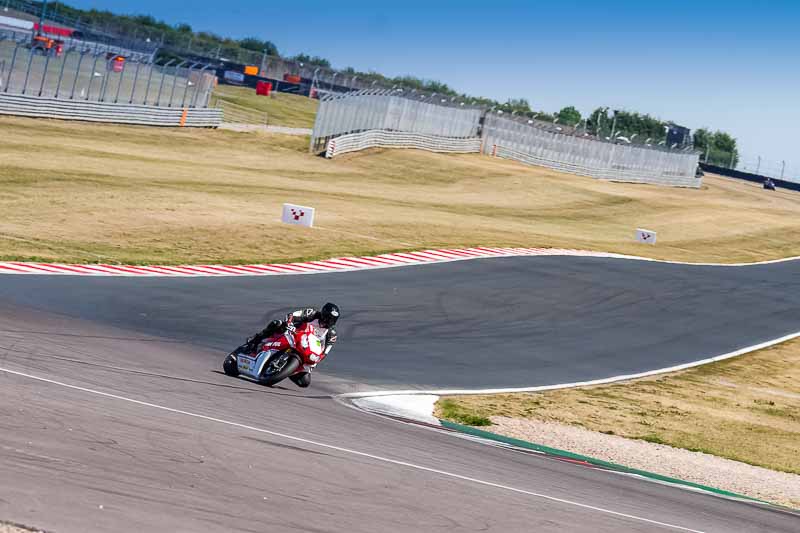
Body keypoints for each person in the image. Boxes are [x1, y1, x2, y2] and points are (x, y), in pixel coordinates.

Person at [241, 302, 340, 388]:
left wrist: (317, 359)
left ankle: (287, 369)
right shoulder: (312, 314)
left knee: (304, 382)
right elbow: (292, 315)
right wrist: (289, 324)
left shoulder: (332, 334)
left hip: (307, 351)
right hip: (294, 334)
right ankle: (255, 340)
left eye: (332, 320)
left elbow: (325, 352)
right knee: (277, 323)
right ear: (323, 314)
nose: (329, 322)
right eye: (328, 318)